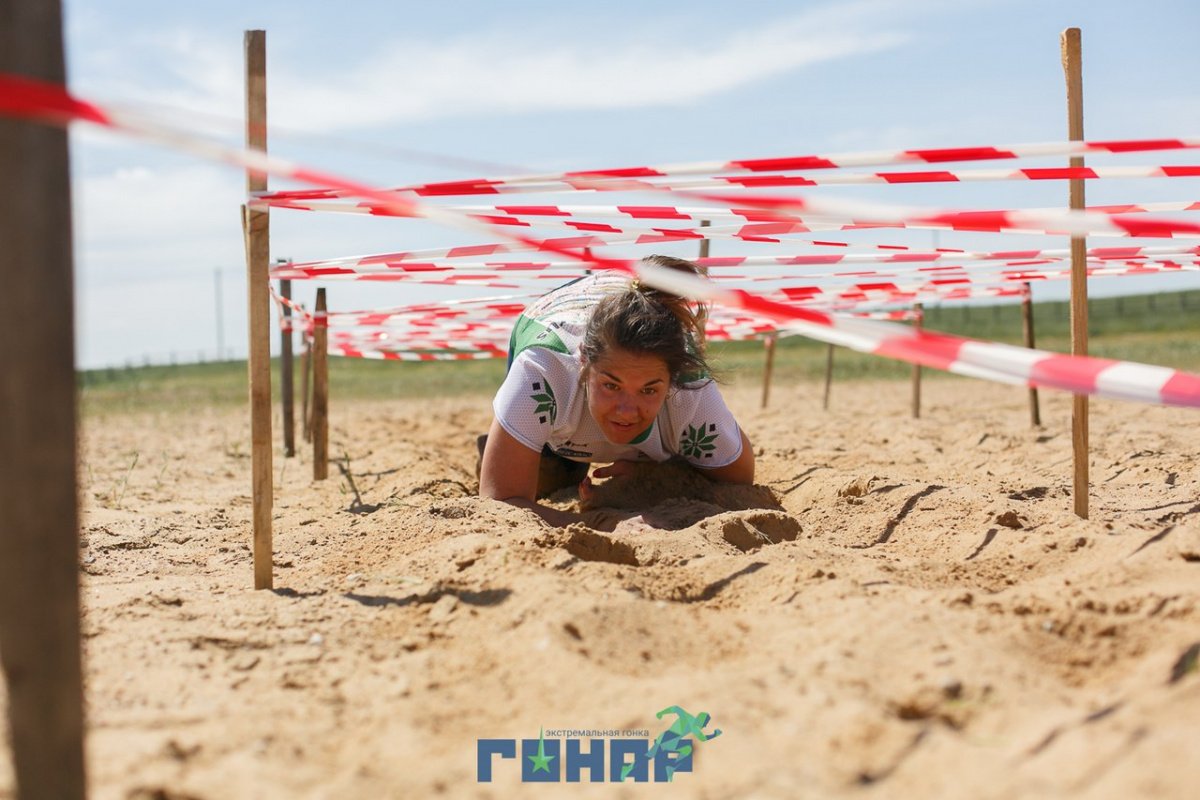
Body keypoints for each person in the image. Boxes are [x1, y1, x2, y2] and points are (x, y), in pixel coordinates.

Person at [478, 255, 754, 527]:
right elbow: (500, 502)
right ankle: (511, 436)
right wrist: (603, 521)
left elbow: (738, 480)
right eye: (611, 385)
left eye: (648, 390)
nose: (626, 410)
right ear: (584, 361)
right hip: (550, 316)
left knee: (670, 466)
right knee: (554, 478)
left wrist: (653, 478)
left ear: (673, 379)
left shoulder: (690, 391)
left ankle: (519, 436)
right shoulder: (543, 371)